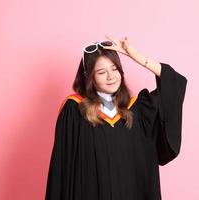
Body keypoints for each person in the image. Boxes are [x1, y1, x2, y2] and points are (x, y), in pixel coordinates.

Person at [44, 35, 188, 200]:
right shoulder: (74, 110)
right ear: (88, 76)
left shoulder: (138, 110)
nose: (111, 76)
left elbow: (175, 83)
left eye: (114, 69)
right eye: (101, 72)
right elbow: (62, 170)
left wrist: (137, 58)